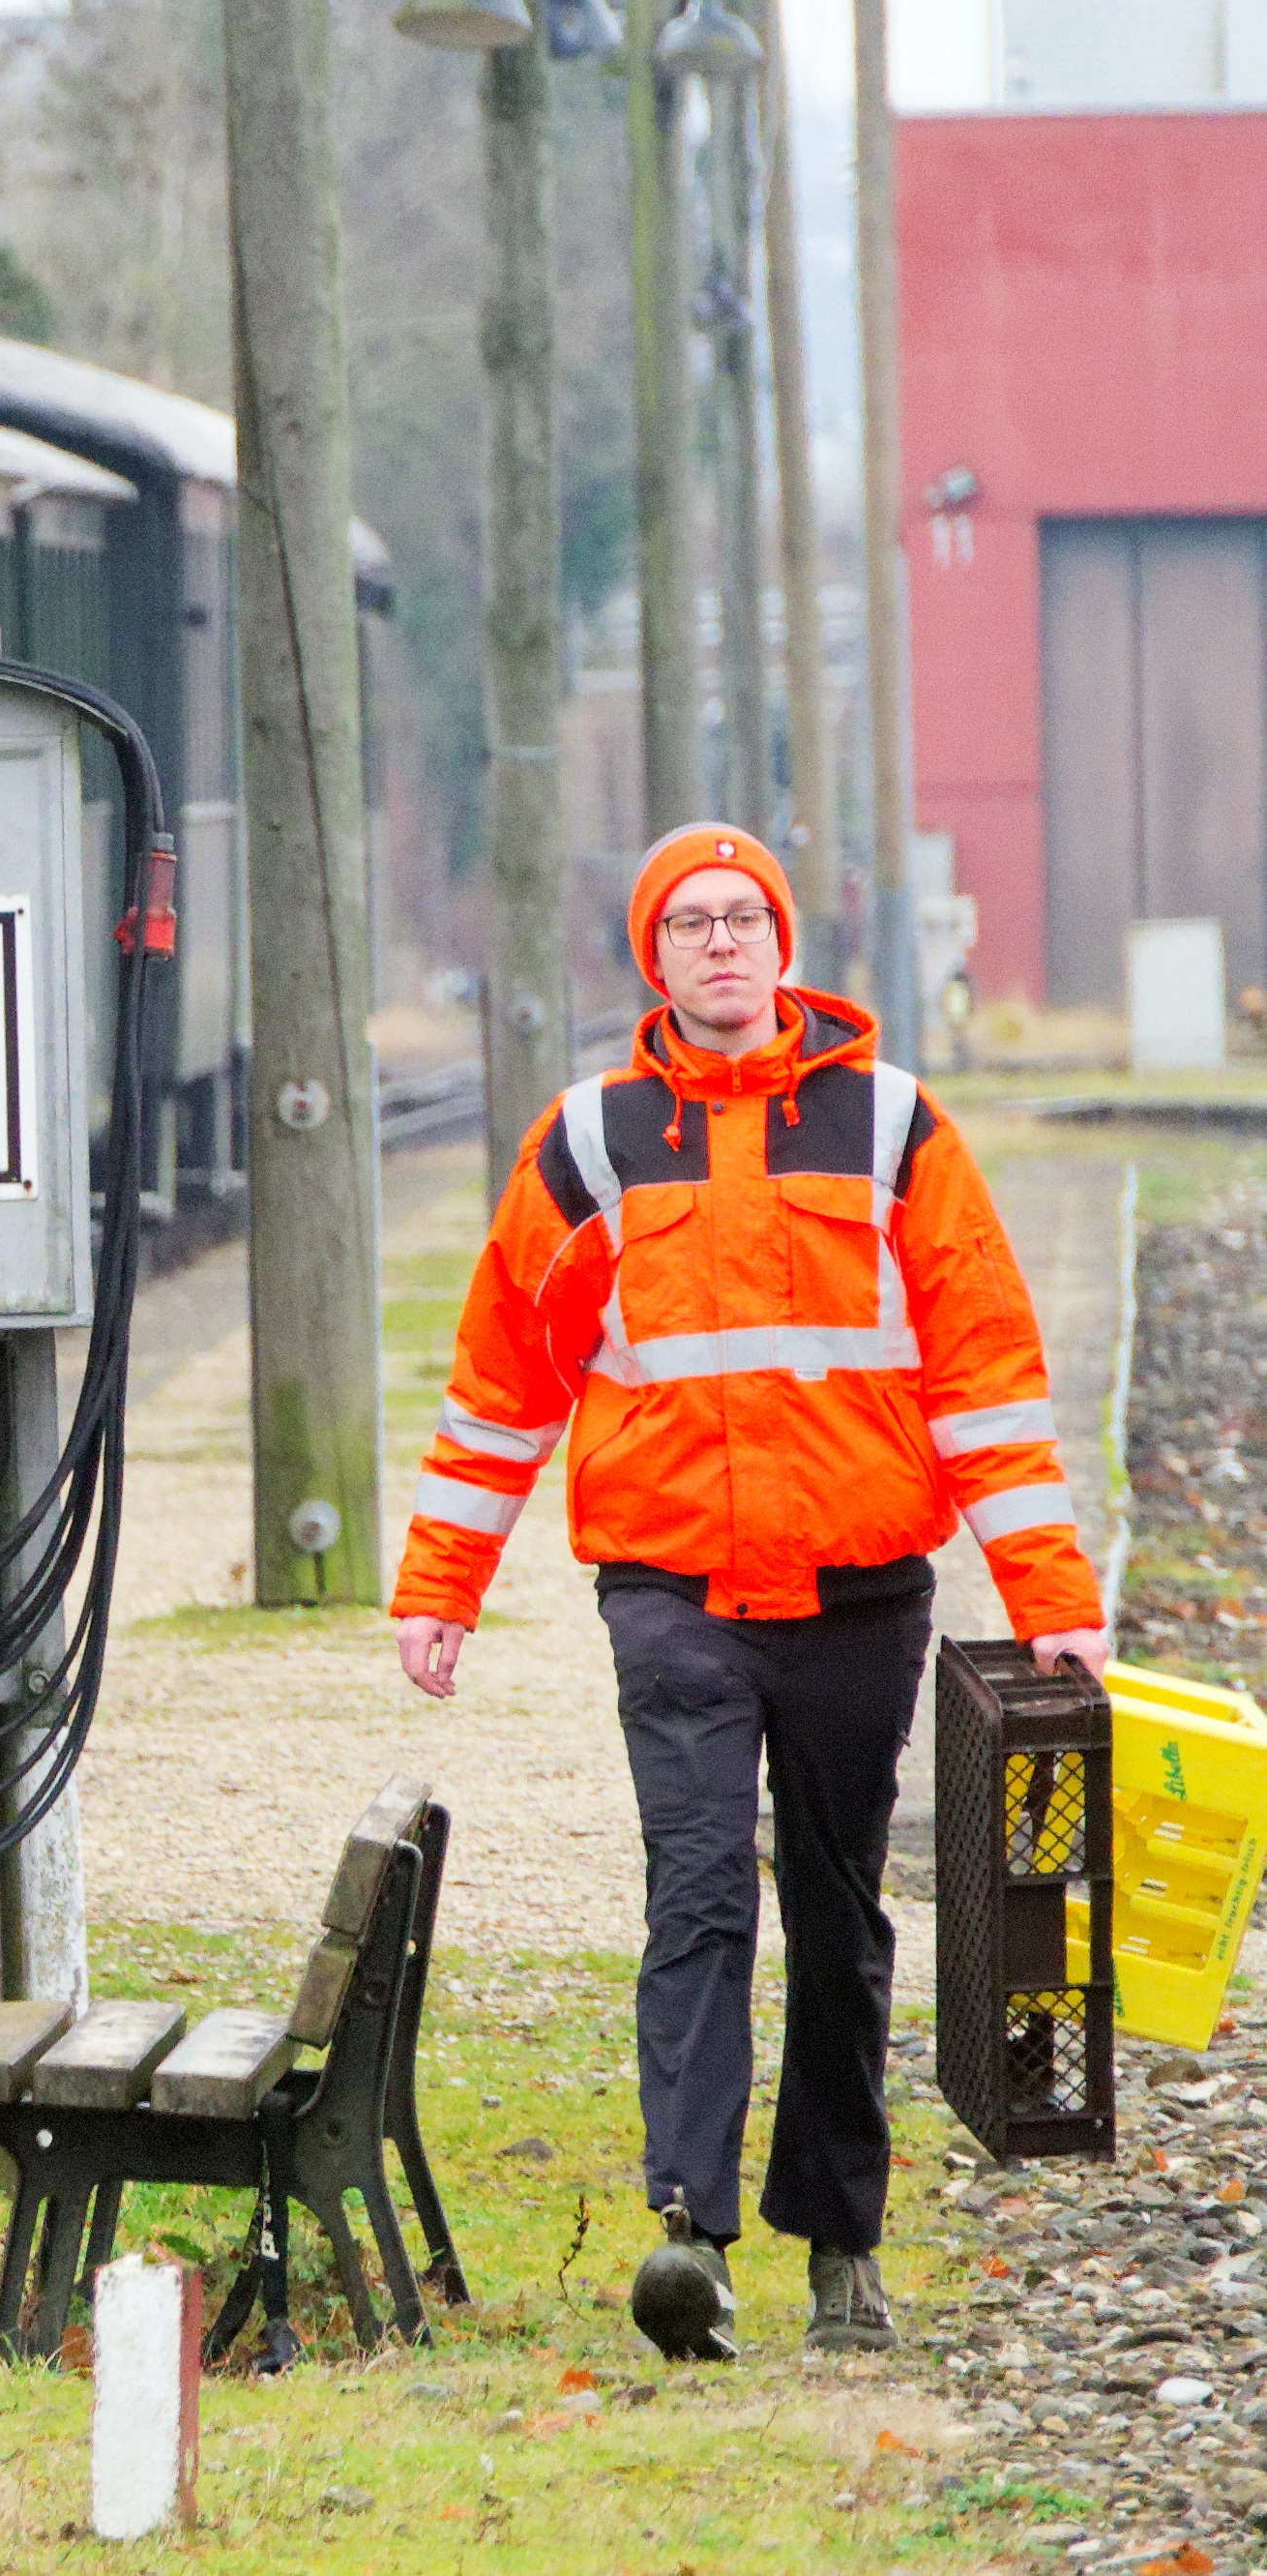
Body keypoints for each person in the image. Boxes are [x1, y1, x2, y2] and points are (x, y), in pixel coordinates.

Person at [395, 821, 1108, 2363]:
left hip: (861, 1595)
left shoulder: (892, 1130)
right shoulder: (590, 1144)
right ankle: (689, 2240)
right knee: (700, 1895)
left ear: (785, 943)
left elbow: (987, 1379)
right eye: (690, 923)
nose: (722, 943)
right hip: (672, 1594)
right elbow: (504, 1387)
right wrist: (440, 1583)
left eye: (745, 918)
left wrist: (1050, 1589)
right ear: (651, 959)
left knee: (842, 1915)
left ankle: (843, 2250)